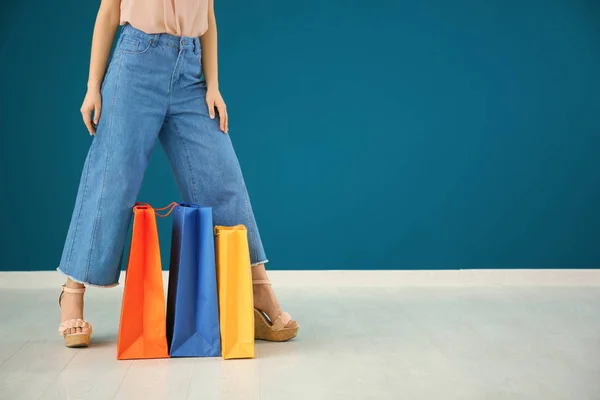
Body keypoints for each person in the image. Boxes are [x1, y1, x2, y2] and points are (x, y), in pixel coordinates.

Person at [57, 0, 298, 348]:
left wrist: (213, 84)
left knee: (223, 179)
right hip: (136, 62)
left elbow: (208, 17)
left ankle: (258, 290)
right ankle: (72, 291)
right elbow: (109, 11)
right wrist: (93, 85)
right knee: (111, 178)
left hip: (190, 70)